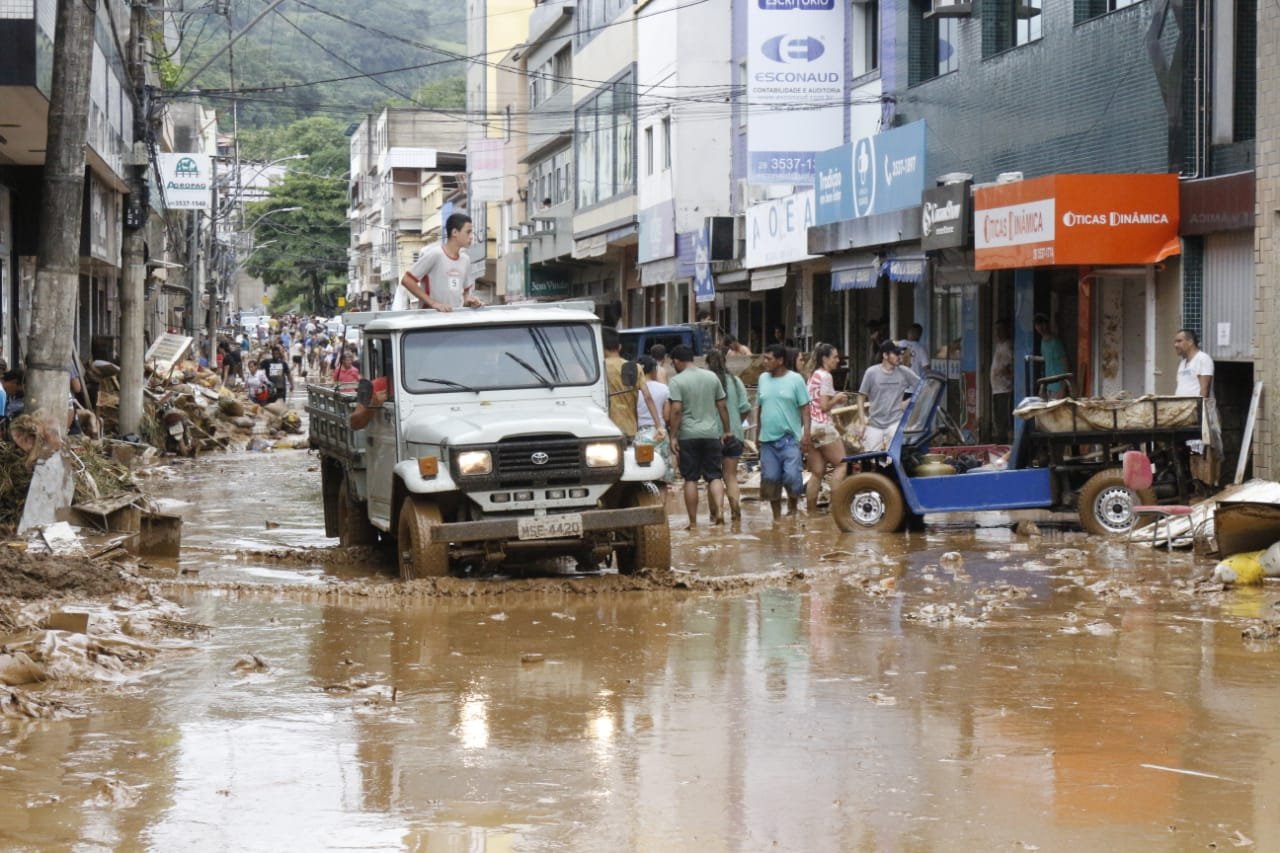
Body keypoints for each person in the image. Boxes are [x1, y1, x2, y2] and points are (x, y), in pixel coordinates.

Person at [667, 344, 733, 527]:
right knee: (714, 476)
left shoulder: (677, 381)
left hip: (688, 436)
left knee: (690, 479)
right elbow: (722, 405)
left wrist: (673, 436)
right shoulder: (711, 377)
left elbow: (677, 410)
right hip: (711, 434)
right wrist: (727, 430)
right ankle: (719, 512)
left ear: (677, 361)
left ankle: (693, 522)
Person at [755, 343, 811, 520]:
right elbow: (760, 407)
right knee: (770, 478)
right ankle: (777, 518)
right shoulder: (763, 378)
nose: (765, 362)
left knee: (792, 476)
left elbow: (805, 408)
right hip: (767, 440)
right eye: (764, 358)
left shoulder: (796, 380)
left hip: (790, 438)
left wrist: (806, 434)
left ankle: (793, 509)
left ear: (780, 361)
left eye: (769, 359)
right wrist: (758, 433)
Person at [395, 212, 484, 311]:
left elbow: (465, 296)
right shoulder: (435, 254)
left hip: (456, 319)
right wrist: (433, 303)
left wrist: (471, 301)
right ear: (454, 232)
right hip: (432, 319)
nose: (471, 237)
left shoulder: (465, 260)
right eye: (468, 232)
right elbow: (407, 280)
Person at [706, 349, 751, 521]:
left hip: (711, 436)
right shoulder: (736, 381)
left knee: (713, 477)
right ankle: (736, 513)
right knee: (731, 476)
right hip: (733, 436)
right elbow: (745, 408)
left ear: (708, 364)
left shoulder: (706, 382)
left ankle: (716, 514)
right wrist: (736, 424)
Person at [805, 343, 850, 513]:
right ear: (825, 359)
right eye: (835, 357)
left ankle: (811, 511)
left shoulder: (813, 375)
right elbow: (824, 406)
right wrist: (837, 398)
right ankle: (836, 507)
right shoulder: (826, 376)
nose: (838, 361)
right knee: (842, 465)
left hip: (810, 427)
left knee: (817, 472)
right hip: (823, 426)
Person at [858, 340, 920, 452]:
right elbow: (861, 396)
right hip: (874, 423)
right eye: (896, 354)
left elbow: (923, 387)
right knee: (871, 458)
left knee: (894, 458)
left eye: (900, 354)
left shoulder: (904, 372)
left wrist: (909, 401)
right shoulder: (871, 372)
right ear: (885, 355)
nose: (899, 357)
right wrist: (862, 422)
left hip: (895, 423)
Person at [603, 328, 662, 441]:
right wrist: (659, 426)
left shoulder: (599, 369)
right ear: (620, 347)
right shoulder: (635, 367)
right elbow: (648, 397)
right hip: (629, 428)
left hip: (605, 428)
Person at [633, 357, 673, 484]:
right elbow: (667, 416)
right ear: (654, 370)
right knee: (663, 477)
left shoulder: (632, 391)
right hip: (659, 434)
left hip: (639, 434)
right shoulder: (664, 389)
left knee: (642, 476)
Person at [1033, 313, 1070, 399]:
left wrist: (1062, 389)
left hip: (1058, 387)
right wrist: (1043, 387)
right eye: (1037, 325)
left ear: (1047, 324)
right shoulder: (1043, 342)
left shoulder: (1056, 343)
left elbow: (1065, 365)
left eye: (1042, 324)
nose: (1040, 327)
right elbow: (1046, 362)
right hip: (1049, 386)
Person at [990, 321, 1014, 443]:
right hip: (997, 388)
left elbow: (1012, 365)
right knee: (998, 417)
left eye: (1001, 330)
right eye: (997, 330)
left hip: (1005, 388)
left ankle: (1004, 442)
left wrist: (1007, 373)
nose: (997, 333)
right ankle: (1001, 440)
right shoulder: (999, 345)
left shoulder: (1008, 346)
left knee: (1004, 418)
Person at [1174, 328, 1214, 397]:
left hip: (1195, 407)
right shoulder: (1182, 363)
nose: (1176, 345)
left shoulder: (1202, 358)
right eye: (1175, 342)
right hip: (1181, 407)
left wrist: (1200, 407)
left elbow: (1205, 389)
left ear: (1190, 342)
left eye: (1179, 341)